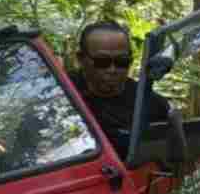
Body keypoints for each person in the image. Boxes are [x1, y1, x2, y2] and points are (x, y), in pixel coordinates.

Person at [68, 20, 170, 157]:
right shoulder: (62, 93)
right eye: (102, 61)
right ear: (81, 59)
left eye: (122, 62)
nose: (112, 69)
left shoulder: (150, 103)